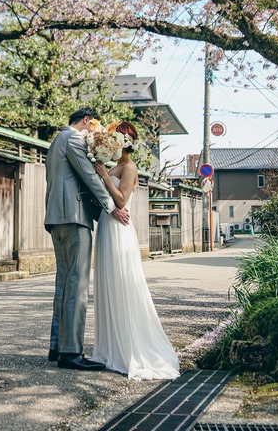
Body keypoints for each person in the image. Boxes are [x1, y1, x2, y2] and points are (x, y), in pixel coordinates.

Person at [89, 121, 181, 380]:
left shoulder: (129, 167)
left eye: (115, 138)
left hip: (119, 229)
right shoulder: (114, 165)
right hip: (107, 224)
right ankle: (109, 347)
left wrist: (104, 177)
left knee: (121, 282)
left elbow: (122, 199)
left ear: (124, 142)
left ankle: (128, 347)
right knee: (108, 283)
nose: (111, 142)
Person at [44, 106, 130, 371]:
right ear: (86, 121)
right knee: (77, 285)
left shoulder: (56, 141)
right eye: (94, 126)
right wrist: (111, 207)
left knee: (64, 284)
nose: (96, 133)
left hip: (57, 218)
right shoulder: (73, 138)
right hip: (73, 217)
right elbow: (89, 176)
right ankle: (71, 352)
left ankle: (58, 347)